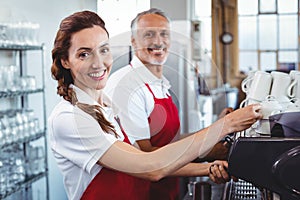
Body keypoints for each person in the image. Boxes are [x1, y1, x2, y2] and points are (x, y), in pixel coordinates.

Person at [48, 10, 262, 200]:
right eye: (84, 54)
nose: (98, 62)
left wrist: (206, 168)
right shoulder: (70, 118)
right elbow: (150, 166)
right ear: (65, 61)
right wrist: (227, 125)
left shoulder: (106, 106)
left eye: (103, 50)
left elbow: (146, 157)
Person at [105, 8, 233, 199]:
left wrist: (216, 130)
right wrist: (207, 165)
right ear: (133, 41)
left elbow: (171, 141)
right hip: (136, 193)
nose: (158, 41)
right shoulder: (127, 85)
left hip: (165, 191)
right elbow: (146, 156)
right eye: (148, 34)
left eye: (164, 34)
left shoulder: (160, 84)